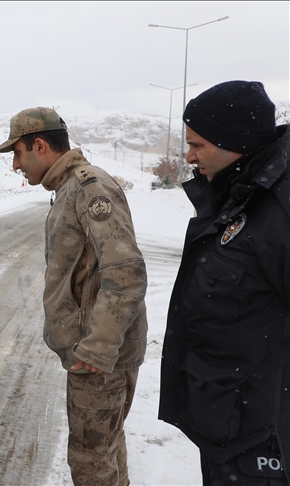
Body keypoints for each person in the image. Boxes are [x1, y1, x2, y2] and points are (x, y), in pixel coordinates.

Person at [0, 107, 148, 486]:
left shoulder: (89, 188)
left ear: (40, 145)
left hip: (100, 363)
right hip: (98, 359)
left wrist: (95, 350)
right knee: (105, 452)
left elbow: (125, 274)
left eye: (17, 153)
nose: (15, 165)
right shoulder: (70, 189)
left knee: (91, 465)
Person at [158, 81, 289, 485]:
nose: (189, 155)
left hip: (264, 440)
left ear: (235, 142)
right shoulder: (240, 196)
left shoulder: (279, 214)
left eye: (197, 144)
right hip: (229, 424)